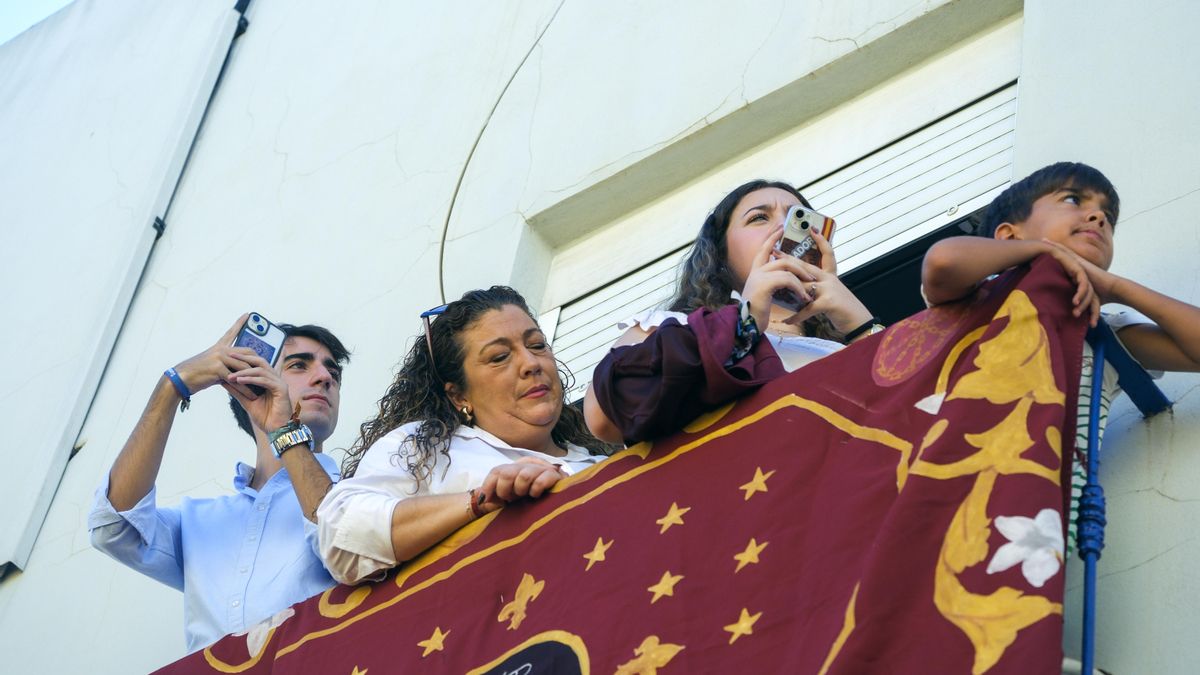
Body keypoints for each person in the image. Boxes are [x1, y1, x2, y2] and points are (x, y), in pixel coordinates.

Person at [921, 161, 1200, 550]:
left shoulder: (1102, 330)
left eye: (1108, 216)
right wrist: (1042, 251)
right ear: (1008, 236)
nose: (1098, 216)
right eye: (1073, 200)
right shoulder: (973, 302)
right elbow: (943, 261)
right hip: (934, 487)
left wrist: (1116, 287)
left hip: (1028, 524)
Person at [88, 316, 351, 652]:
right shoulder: (198, 522)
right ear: (250, 381)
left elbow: (350, 543)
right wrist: (172, 386)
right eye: (299, 365)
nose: (326, 377)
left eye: (334, 373)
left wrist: (284, 430)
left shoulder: (359, 494)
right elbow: (114, 529)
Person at [317, 286, 611, 585]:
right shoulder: (427, 447)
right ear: (459, 396)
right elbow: (342, 536)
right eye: (499, 357)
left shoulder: (607, 465)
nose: (531, 363)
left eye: (537, 345)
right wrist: (481, 501)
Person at [584, 179, 883, 445]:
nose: (782, 228)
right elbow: (603, 417)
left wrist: (861, 327)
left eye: (798, 219)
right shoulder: (671, 326)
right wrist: (743, 324)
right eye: (759, 218)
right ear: (720, 254)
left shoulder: (843, 349)